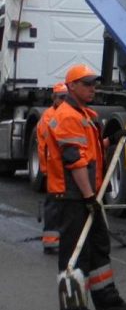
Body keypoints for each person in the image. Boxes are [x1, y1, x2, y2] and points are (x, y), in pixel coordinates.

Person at [48, 65, 126, 310]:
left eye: (93, 84)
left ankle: (105, 298)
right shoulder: (68, 117)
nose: (92, 88)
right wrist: (88, 196)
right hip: (73, 195)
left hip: (88, 193)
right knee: (75, 251)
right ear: (71, 86)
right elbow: (74, 160)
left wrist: (111, 139)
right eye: (86, 84)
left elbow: (90, 151)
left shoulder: (86, 115)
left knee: (98, 246)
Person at [38, 82, 66, 255]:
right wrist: (46, 169)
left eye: (66, 97)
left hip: (60, 167)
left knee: (60, 205)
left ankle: (57, 238)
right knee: (54, 205)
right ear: (54, 98)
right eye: (61, 98)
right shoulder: (49, 117)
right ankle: (50, 240)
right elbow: (46, 146)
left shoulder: (58, 114)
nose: (64, 101)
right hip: (54, 167)